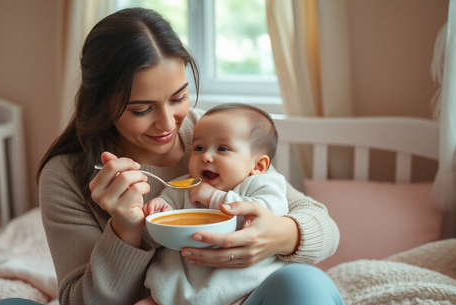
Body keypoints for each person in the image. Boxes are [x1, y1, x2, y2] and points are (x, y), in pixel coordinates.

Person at [35, 7, 343, 305]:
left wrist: (281, 236)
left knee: (305, 283)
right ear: (102, 103)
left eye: (178, 97)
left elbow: (324, 226)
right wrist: (126, 229)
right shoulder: (67, 175)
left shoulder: (212, 135)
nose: (168, 124)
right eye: (142, 109)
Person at [139, 103, 290, 305]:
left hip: (242, 288)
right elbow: (167, 204)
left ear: (258, 165)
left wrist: (214, 197)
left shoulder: (262, 183)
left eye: (223, 148)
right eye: (199, 148)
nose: (206, 156)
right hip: (180, 284)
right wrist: (159, 207)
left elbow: (270, 212)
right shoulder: (185, 185)